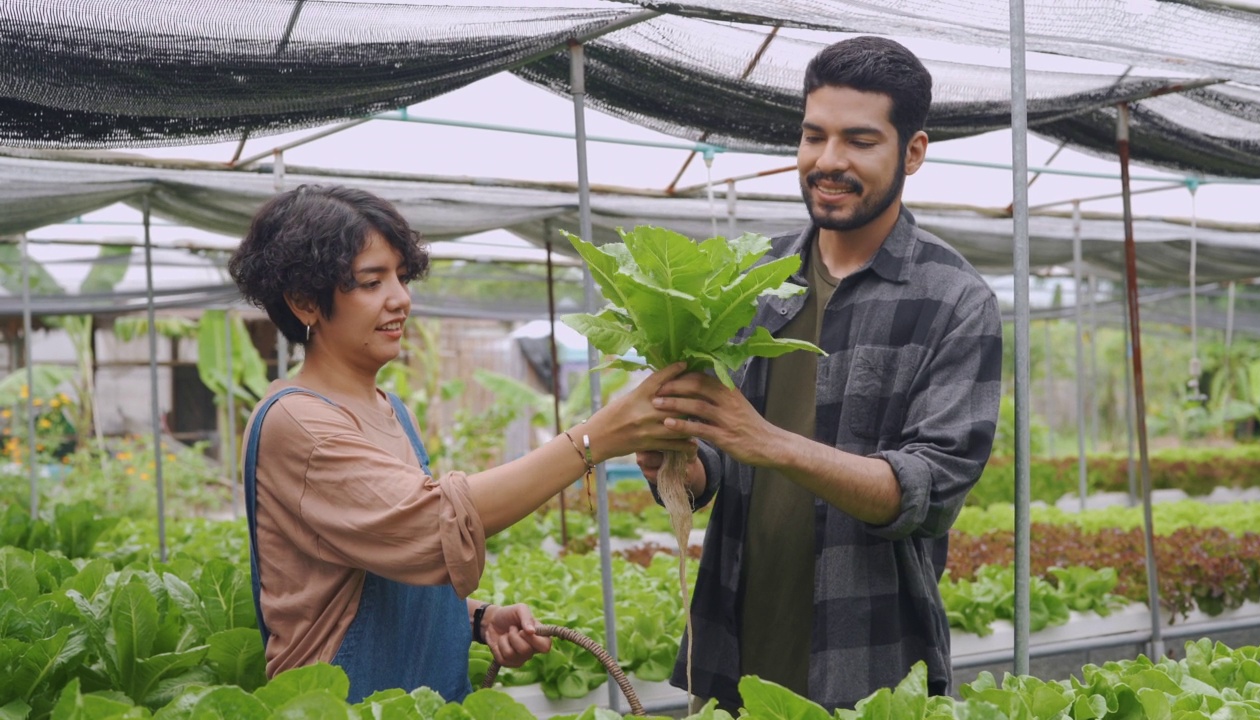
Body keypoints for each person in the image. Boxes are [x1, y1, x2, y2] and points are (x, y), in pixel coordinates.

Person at [638, 36, 1003, 711]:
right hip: (733, 652)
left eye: (859, 141)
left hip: (867, 664)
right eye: (814, 136)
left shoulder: (954, 300)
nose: (828, 162)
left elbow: (926, 490)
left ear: (912, 152)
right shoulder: (754, 277)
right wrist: (677, 463)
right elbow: (719, 461)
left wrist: (766, 441)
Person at [228, 185, 690, 704]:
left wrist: (478, 618)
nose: (400, 298)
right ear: (304, 301)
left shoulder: (389, 408)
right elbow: (427, 525)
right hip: (342, 705)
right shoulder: (299, 421)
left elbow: (383, 557)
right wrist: (594, 439)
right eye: (370, 281)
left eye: (401, 277)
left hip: (421, 698)